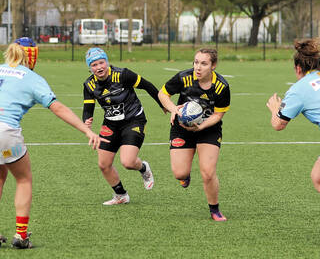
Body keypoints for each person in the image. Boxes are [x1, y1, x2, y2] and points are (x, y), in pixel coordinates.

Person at [0, 37, 103, 249]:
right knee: (23, 179)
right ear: (32, 55)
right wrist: (86, 130)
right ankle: (21, 236)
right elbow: (58, 108)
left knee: (0, 175)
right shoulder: (32, 78)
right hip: (6, 132)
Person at [82, 47, 164, 205]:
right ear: (89, 67)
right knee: (103, 164)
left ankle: (143, 168)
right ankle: (121, 195)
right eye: (94, 65)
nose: (99, 67)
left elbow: (147, 85)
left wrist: (162, 104)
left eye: (101, 62)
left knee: (128, 162)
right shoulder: (89, 84)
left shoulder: (123, 74)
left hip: (133, 120)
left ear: (107, 62)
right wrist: (87, 120)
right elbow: (88, 107)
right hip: (111, 124)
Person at [158, 48, 230, 221]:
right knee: (179, 173)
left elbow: (218, 115)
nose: (198, 67)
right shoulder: (183, 78)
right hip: (181, 127)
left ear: (213, 66)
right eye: (196, 62)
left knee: (208, 172)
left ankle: (215, 209)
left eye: (203, 63)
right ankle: (185, 176)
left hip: (208, 128)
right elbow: (163, 94)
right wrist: (174, 109)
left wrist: (201, 126)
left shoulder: (221, 87)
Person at [267, 38, 320, 191]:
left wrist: (275, 109)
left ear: (298, 68)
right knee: (318, 177)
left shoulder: (298, 90)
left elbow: (278, 124)